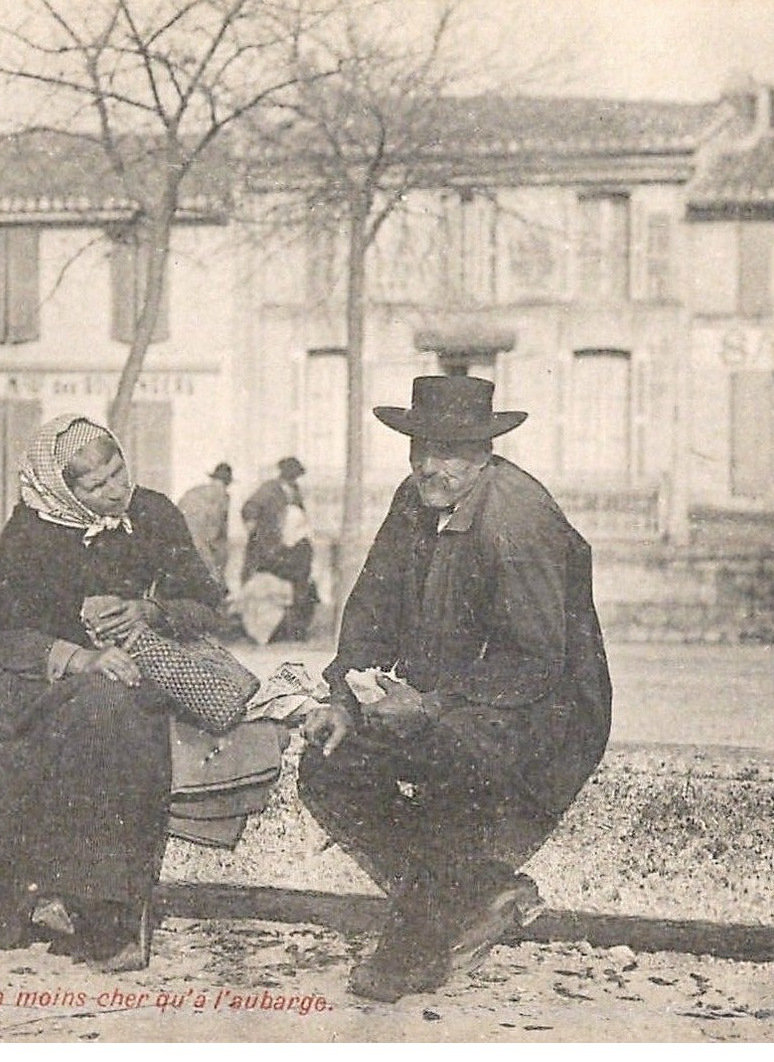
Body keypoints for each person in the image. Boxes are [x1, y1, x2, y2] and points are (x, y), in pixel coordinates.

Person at [297, 376, 612, 1002]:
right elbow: (371, 610)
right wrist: (342, 696)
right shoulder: (413, 500)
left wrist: (429, 706)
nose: (430, 466)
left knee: (448, 767)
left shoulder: (518, 521)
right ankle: (476, 896)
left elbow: (534, 659)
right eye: (420, 448)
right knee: (327, 767)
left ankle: (414, 946)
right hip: (448, 694)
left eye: (451, 452)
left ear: (486, 452)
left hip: (544, 704)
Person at [0, 413, 224, 972]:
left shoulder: (153, 514)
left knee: (108, 718)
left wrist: (150, 611)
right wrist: (81, 657)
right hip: (41, 680)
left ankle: (110, 914)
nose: (116, 491)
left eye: (119, 473)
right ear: (62, 490)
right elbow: (12, 634)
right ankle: (32, 896)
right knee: (62, 724)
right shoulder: (31, 533)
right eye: (96, 487)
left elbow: (207, 604)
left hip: (135, 675)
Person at [240, 456, 316, 641]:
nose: (293, 478)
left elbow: (298, 519)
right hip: (269, 548)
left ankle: (293, 630)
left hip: (289, 548)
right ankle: (264, 632)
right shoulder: (269, 489)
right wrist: (258, 535)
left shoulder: (294, 491)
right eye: (290, 474)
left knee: (302, 587)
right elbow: (249, 510)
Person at [176, 462, 233, 590]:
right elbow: (215, 534)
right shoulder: (222, 497)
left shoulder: (192, 492)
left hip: (179, 541)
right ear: (228, 482)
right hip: (201, 545)